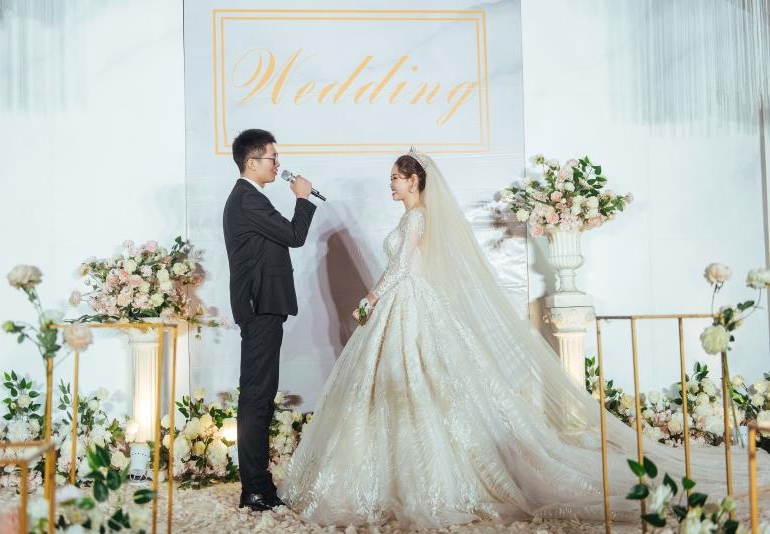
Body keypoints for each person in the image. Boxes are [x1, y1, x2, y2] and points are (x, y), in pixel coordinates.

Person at [278, 148, 769, 528]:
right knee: (408, 388)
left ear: (414, 180)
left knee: (415, 387)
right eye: (391, 177)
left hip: (407, 303)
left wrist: (369, 299)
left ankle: (427, 480)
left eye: (395, 177)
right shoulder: (413, 218)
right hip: (409, 306)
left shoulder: (416, 217)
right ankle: (407, 474)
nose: (390, 183)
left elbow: (403, 270)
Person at [223, 128, 317, 511]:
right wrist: (302, 198)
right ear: (252, 162)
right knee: (257, 397)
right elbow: (294, 235)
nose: (278, 164)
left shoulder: (250, 198)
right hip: (259, 307)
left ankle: (259, 486)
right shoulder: (248, 199)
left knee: (260, 395)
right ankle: (255, 489)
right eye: (272, 158)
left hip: (264, 306)